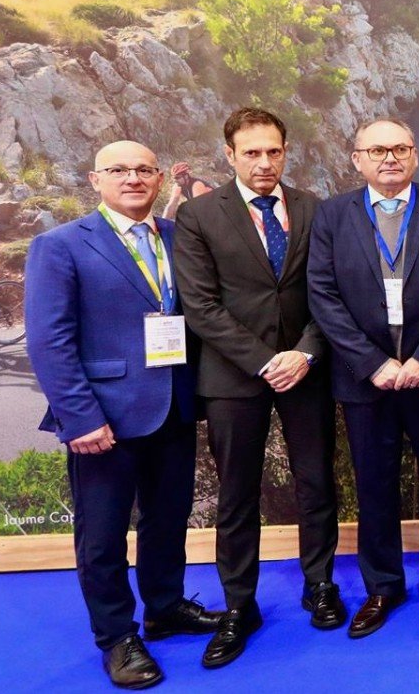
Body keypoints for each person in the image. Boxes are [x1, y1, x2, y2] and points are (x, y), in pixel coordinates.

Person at [25, 141, 222, 689]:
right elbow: (49, 340)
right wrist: (79, 416)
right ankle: (116, 636)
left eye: (143, 169)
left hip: (174, 407)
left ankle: (164, 607)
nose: (133, 178)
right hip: (102, 418)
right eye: (119, 170)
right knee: (103, 536)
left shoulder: (180, 238)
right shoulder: (60, 245)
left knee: (168, 520)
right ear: (95, 179)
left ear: (159, 179)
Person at [171, 108, 342, 669]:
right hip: (233, 375)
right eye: (252, 153)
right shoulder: (198, 215)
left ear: (285, 151)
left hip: (307, 369)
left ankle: (319, 585)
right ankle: (240, 607)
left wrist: (306, 353)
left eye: (273, 151)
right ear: (230, 155)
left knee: (316, 482)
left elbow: (330, 292)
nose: (264, 162)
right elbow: (200, 306)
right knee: (238, 496)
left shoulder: (315, 208)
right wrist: (268, 361)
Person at [306, 118, 419, 637]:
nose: (389, 158)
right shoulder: (333, 215)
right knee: (374, 485)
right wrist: (373, 363)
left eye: (400, 148)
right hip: (366, 381)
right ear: (356, 158)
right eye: (377, 150)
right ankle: (382, 587)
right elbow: (323, 294)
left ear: (415, 155)